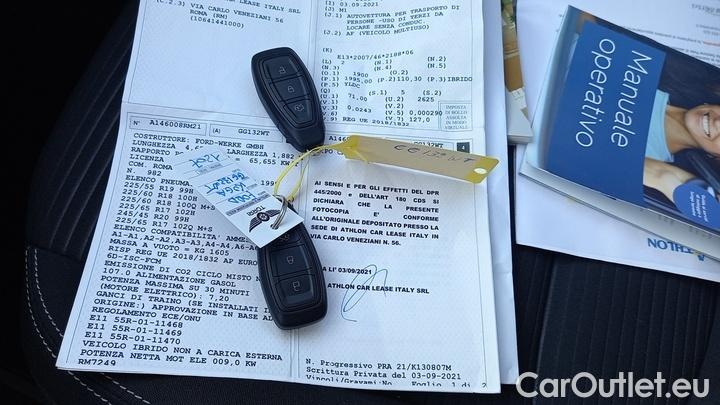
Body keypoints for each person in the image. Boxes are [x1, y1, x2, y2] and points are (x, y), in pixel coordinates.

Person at [643, 90, 719, 205]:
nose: (718, 122)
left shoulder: (648, 160)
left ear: (717, 157)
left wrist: (663, 177)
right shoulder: (658, 83)